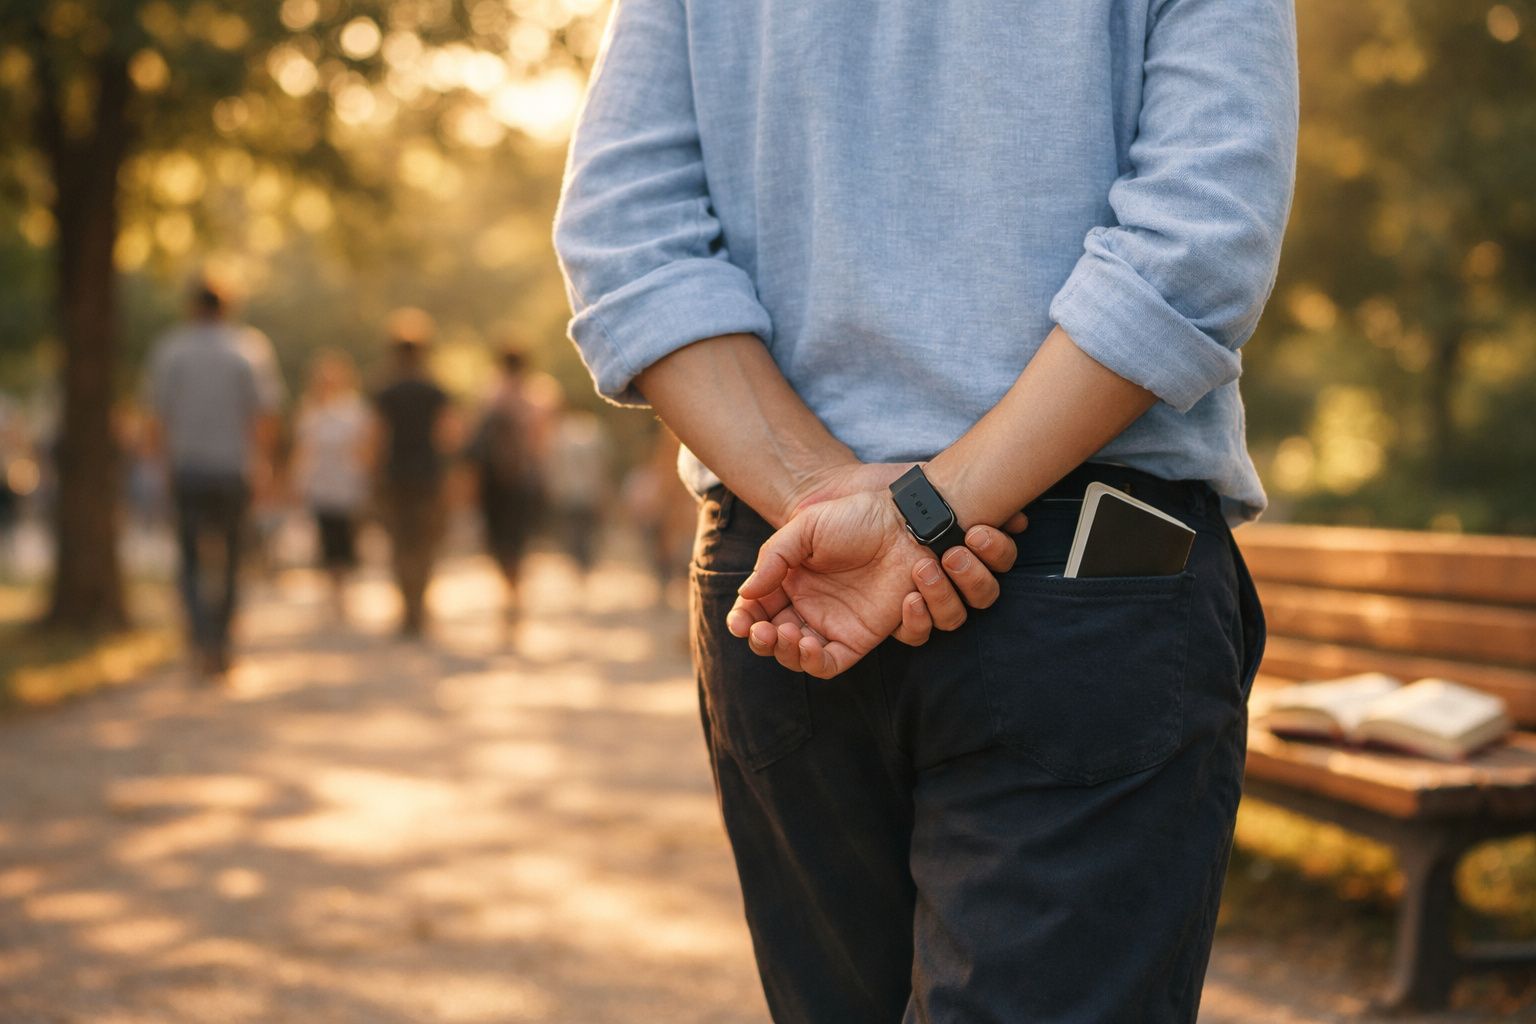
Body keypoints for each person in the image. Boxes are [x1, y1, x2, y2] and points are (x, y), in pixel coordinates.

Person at [553, 1, 1294, 1020]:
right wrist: (916, 517)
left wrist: (845, 506)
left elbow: (623, 239)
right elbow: (1198, 240)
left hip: (792, 572)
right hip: (1072, 579)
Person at [144, 275, 280, 679]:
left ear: (191, 306)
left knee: (188, 559)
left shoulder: (171, 350)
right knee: (235, 558)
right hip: (233, 468)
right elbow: (265, 416)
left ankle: (200, 640)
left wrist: (158, 465)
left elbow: (156, 417)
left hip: (186, 468)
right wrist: (265, 465)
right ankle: (222, 643)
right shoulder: (248, 350)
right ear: (228, 308)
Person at [372, 308, 455, 638]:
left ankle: (407, 608)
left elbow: (376, 438)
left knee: (399, 545)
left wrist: (373, 475)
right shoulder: (436, 390)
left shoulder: (384, 391)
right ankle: (419, 606)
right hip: (429, 477)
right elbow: (447, 438)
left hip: (394, 477)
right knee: (425, 545)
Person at [466, 346, 550, 629]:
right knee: (520, 537)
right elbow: (541, 442)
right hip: (525, 478)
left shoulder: (490, 395)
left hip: (495, 479)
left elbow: (475, 442)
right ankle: (516, 591)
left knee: (498, 537)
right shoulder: (539, 395)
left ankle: (508, 588)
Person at [293, 350, 372, 622]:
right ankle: (333, 590)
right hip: (321, 486)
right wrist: (297, 482)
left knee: (347, 539)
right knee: (327, 538)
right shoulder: (310, 412)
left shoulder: (354, 410)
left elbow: (366, 448)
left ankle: (344, 587)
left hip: (349, 485)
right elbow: (304, 451)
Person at [545, 408, 609, 583]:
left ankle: (579, 565)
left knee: (575, 531)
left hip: (571, 491)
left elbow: (553, 465)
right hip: (585, 491)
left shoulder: (560, 434)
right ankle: (582, 566)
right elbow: (600, 466)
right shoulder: (593, 431)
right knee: (584, 531)